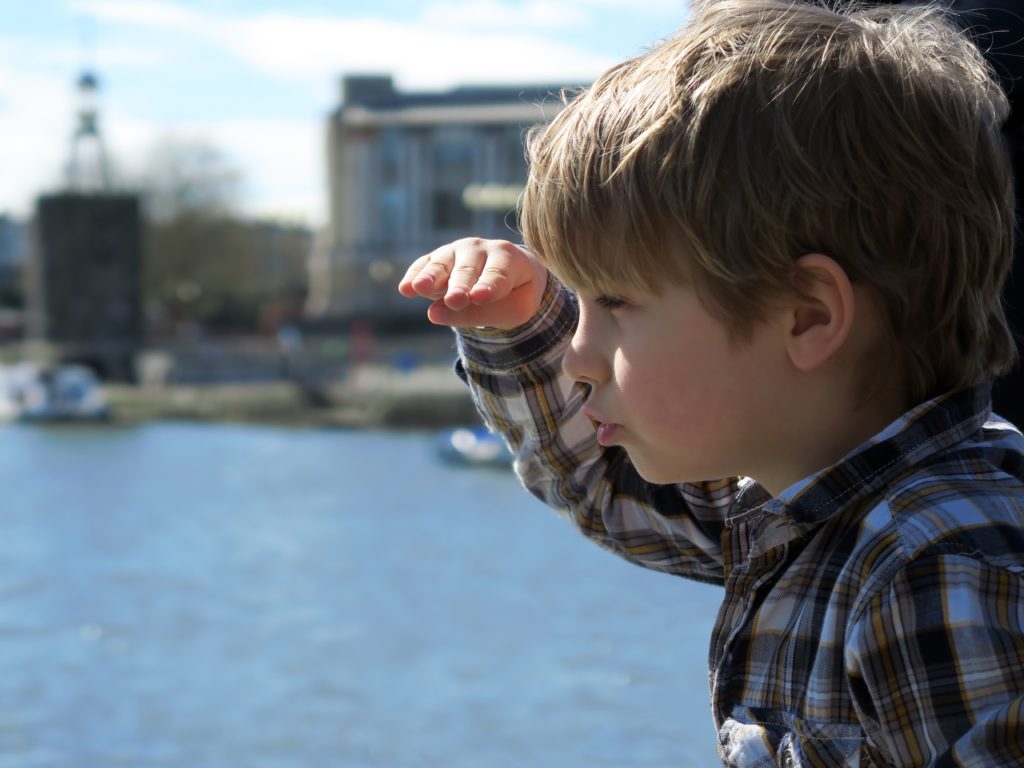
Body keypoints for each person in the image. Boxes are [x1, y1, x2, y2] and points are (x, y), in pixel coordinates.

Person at [398, 1, 1024, 765]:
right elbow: (609, 487)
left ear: (806, 317)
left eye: (616, 302)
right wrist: (521, 326)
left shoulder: (940, 571)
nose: (578, 355)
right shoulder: (794, 494)